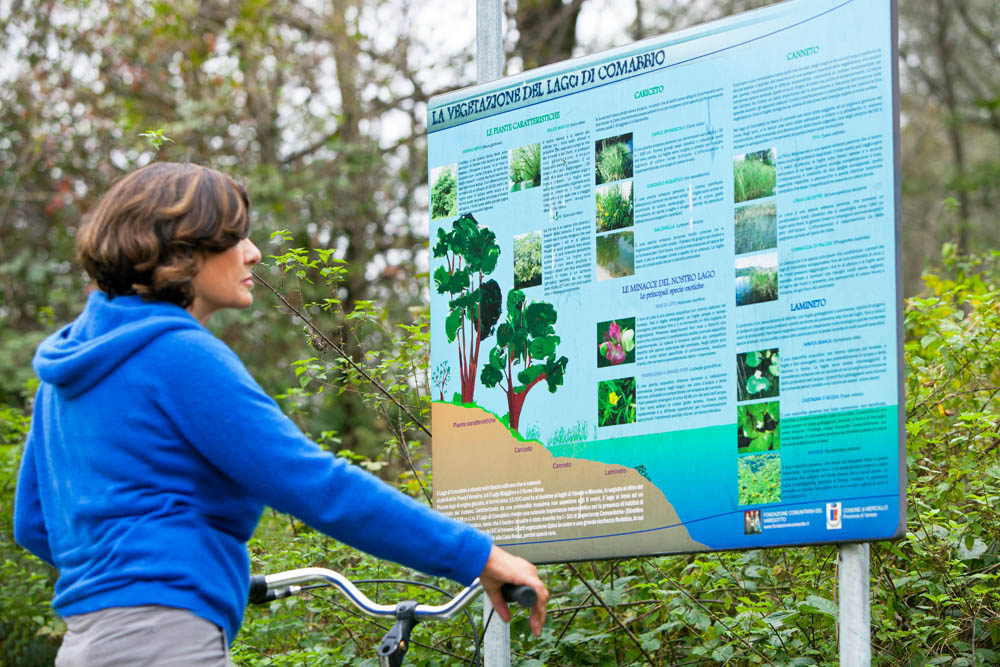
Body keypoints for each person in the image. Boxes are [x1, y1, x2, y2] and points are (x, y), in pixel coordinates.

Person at [13, 162, 547, 666]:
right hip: (164, 640)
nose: (253, 254)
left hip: (86, 642)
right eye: (235, 237)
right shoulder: (176, 354)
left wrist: (129, 569)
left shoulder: (63, 373)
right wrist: (476, 555)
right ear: (182, 252)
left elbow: (35, 525)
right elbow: (314, 483)